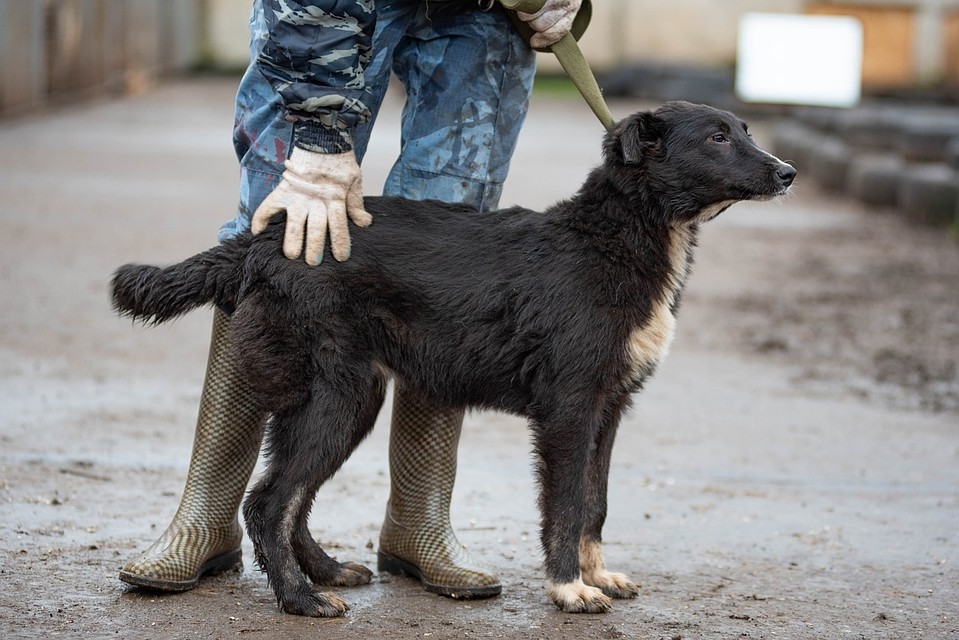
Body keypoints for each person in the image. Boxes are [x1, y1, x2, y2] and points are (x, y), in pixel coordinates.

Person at [118, 0, 582, 598]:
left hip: (484, 16)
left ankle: (419, 522)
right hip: (324, 18)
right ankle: (207, 515)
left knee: (454, 255)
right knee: (283, 237)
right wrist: (316, 129)